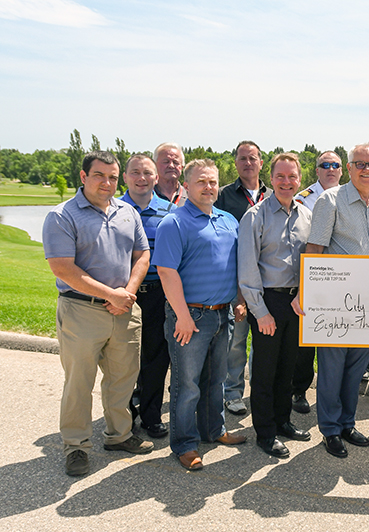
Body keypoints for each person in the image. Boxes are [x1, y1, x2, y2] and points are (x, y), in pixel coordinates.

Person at [43, 150, 154, 477]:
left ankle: (118, 435)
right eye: (99, 175)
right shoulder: (62, 216)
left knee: (123, 379)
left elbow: (143, 254)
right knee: (79, 382)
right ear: (83, 176)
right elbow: (62, 267)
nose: (106, 183)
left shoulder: (127, 212)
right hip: (81, 310)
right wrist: (111, 294)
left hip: (125, 309)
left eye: (112, 176)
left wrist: (128, 293)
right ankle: (76, 446)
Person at [153, 159, 248, 471]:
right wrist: (182, 316)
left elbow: (233, 265)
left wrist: (237, 299)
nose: (209, 187)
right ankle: (184, 444)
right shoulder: (174, 222)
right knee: (187, 385)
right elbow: (166, 272)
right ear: (187, 184)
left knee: (216, 380)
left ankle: (214, 430)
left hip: (223, 315)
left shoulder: (228, 220)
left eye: (213, 182)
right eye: (201, 182)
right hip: (190, 317)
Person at [303, 142, 369, 458]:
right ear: (350, 167)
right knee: (332, 369)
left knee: (355, 369)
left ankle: (346, 423)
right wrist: (307, 293)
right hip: (336, 302)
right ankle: (329, 430)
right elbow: (314, 250)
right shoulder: (330, 200)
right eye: (360, 163)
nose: (366, 169)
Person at [238, 152, 312, 458]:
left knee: (287, 368)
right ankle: (265, 432)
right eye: (280, 176)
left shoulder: (306, 216)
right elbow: (247, 269)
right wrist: (261, 312)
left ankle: (283, 421)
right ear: (271, 179)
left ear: (299, 180)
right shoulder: (254, 217)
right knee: (265, 372)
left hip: (298, 302)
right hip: (268, 300)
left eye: (292, 176)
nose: (286, 182)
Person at [215, 140, 274, 416]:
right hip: (236, 282)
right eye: (242, 158)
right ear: (236, 163)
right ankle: (233, 392)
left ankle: (260, 392)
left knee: (262, 343)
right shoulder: (224, 197)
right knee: (236, 341)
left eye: (253, 158)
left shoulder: (274, 195)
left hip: (269, 284)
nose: (248, 163)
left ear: (261, 162)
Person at [120, 154, 173, 439]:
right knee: (124, 358)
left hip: (157, 294)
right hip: (122, 295)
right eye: (135, 172)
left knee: (155, 358)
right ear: (125, 177)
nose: (142, 178)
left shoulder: (169, 212)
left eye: (147, 173)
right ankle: (123, 416)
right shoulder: (112, 209)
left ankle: (151, 414)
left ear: (156, 177)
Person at [291, 150, 344, 415]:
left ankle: (332, 391)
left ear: (342, 170)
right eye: (326, 165)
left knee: (335, 336)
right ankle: (299, 389)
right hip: (313, 276)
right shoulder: (304, 199)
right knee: (307, 340)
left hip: (341, 279)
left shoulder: (347, 196)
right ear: (317, 170)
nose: (331, 169)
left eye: (336, 165)